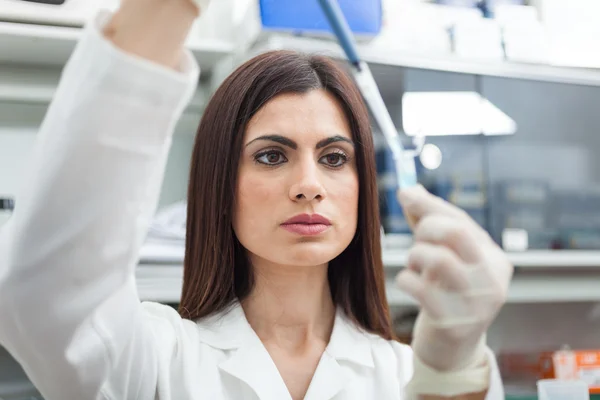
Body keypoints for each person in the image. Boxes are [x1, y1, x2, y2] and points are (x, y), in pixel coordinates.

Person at [0, 0, 513, 399]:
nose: (309, 184)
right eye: (271, 156)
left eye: (334, 158)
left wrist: (453, 366)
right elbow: (46, 295)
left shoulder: (407, 376)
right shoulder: (158, 360)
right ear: (219, 184)